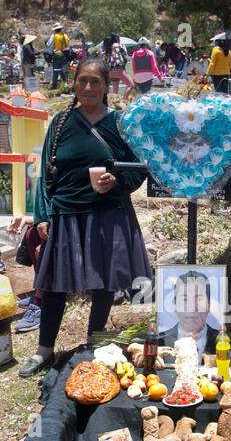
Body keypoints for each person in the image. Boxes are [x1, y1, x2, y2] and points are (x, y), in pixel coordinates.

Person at [17, 58, 152, 377]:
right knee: (53, 286)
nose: (88, 87)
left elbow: (138, 169)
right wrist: (42, 214)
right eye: (82, 81)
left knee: (104, 284)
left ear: (107, 86)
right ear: (74, 83)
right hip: (66, 213)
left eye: (95, 82)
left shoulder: (119, 124)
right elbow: (45, 174)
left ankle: (96, 343)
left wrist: (117, 182)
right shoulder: (61, 123)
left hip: (107, 214)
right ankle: (43, 351)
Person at [160, 270, 220, 355]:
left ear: (209, 305)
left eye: (199, 298)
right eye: (185, 299)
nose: (191, 307)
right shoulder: (159, 343)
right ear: (175, 305)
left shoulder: (223, 342)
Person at [47, 24, 70, 89]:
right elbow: (68, 45)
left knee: (56, 70)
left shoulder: (54, 36)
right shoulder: (65, 35)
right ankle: (65, 84)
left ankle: (54, 85)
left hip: (56, 55)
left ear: (55, 30)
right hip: (64, 54)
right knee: (63, 70)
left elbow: (48, 44)